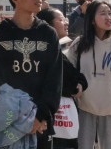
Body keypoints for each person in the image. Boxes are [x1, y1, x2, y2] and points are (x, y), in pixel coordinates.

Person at [0, 0, 62, 149]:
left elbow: (54, 79)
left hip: (40, 123)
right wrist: (18, 119)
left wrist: (39, 116)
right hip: (9, 121)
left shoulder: (48, 33)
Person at [66, 0, 111, 149]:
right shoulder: (80, 44)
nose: (108, 17)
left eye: (110, 13)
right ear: (92, 19)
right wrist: (75, 85)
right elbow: (67, 71)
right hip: (84, 109)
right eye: (103, 13)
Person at [37, 8, 86, 149]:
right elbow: (68, 82)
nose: (66, 22)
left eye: (66, 19)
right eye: (61, 19)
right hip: (49, 119)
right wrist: (78, 85)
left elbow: (76, 77)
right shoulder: (46, 52)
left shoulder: (57, 49)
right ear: (48, 25)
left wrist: (80, 82)